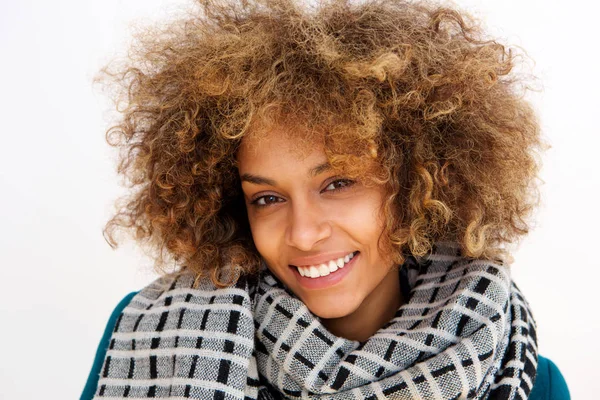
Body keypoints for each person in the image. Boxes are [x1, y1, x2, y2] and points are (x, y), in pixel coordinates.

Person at [82, 0, 570, 398]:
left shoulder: (522, 376)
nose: (303, 233)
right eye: (267, 198)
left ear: (422, 184)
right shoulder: (153, 338)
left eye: (339, 183)